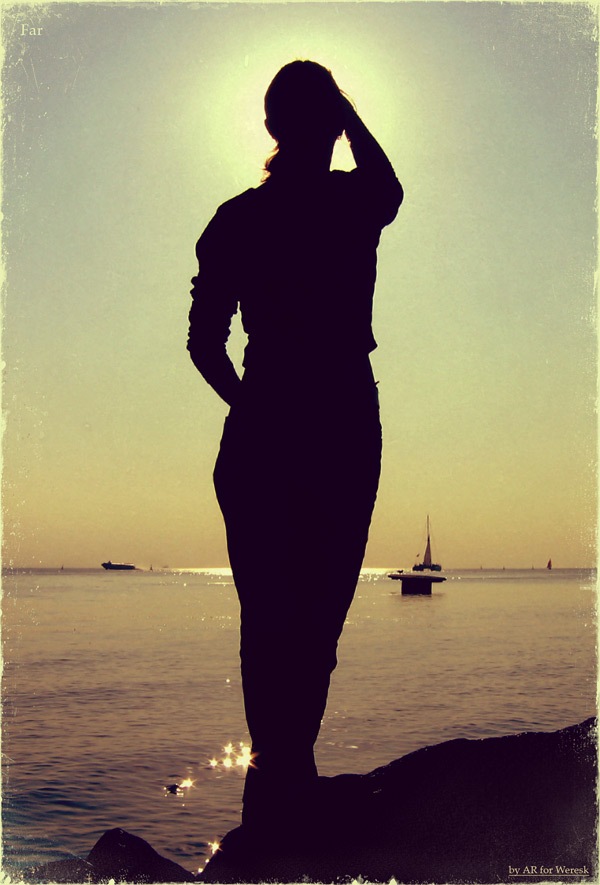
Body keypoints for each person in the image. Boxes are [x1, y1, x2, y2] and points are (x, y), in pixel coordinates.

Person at [187, 60, 403, 836]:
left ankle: (280, 788)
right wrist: (348, 111)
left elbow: (204, 344)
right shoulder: (342, 203)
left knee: (281, 622)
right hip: (329, 420)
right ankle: (282, 789)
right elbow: (389, 187)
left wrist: (250, 406)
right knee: (306, 623)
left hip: (288, 423)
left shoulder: (245, 218)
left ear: (272, 125)